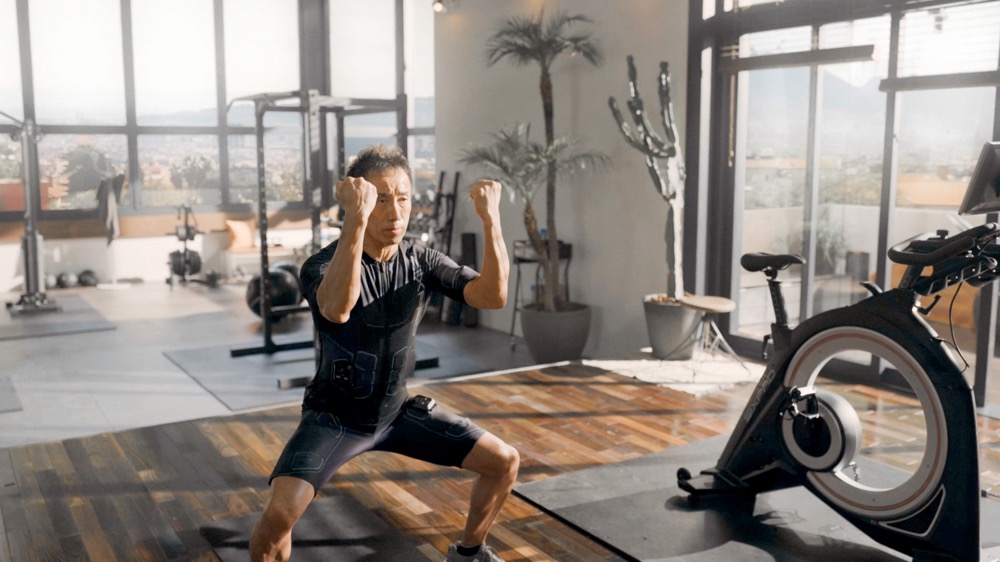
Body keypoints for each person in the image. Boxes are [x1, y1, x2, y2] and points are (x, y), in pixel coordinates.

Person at [249, 144, 519, 562]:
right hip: (335, 418)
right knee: (281, 514)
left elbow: (491, 296)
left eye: (403, 199)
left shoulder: (422, 261)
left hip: (397, 412)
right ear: (360, 202)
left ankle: (469, 554)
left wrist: (491, 219)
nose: (395, 213)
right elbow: (337, 309)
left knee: (503, 461)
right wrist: (355, 218)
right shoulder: (319, 266)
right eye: (380, 200)